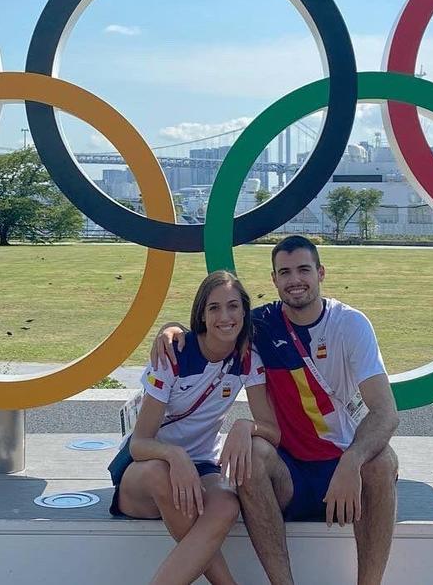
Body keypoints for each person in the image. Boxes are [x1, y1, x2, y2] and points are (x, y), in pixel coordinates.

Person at [151, 235, 400, 585]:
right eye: (285, 272)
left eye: (303, 270)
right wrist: (169, 329)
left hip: (342, 469)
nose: (294, 280)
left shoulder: (351, 324)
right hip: (289, 474)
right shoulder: (260, 325)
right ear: (274, 280)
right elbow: (214, 324)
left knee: (383, 460)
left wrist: (352, 460)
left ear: (321, 273)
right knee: (251, 454)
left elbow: (385, 412)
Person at [110, 270, 280, 585]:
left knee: (228, 503)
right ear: (201, 315)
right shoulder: (173, 354)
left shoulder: (247, 357)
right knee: (164, 478)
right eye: (214, 307)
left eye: (232, 306)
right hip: (147, 471)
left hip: (202, 466)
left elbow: (272, 430)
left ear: (244, 310)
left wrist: (245, 425)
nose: (225, 316)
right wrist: (175, 456)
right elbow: (140, 443)